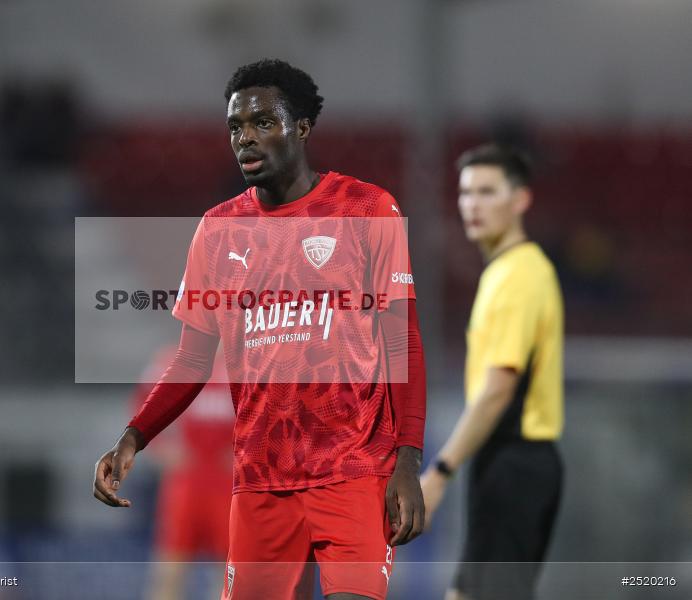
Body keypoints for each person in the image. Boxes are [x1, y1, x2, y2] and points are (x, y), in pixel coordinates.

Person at [93, 58, 427, 600]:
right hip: (261, 484)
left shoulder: (367, 209)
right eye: (235, 128)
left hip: (355, 473)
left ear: (301, 127)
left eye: (263, 123)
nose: (245, 138)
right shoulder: (218, 230)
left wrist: (408, 463)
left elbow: (402, 343)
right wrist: (134, 437)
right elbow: (191, 360)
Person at [420, 144, 564, 600]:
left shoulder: (518, 275)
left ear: (521, 199)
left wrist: (440, 470)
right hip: (507, 462)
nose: (472, 204)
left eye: (486, 192)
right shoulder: (509, 271)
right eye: (465, 193)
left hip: (516, 461)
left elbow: (498, 389)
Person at [135, 345, 234, 600]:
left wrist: (247, 454)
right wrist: (161, 449)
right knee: (169, 571)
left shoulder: (248, 363)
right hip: (185, 484)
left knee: (228, 577)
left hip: (229, 486)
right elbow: (141, 408)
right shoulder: (173, 362)